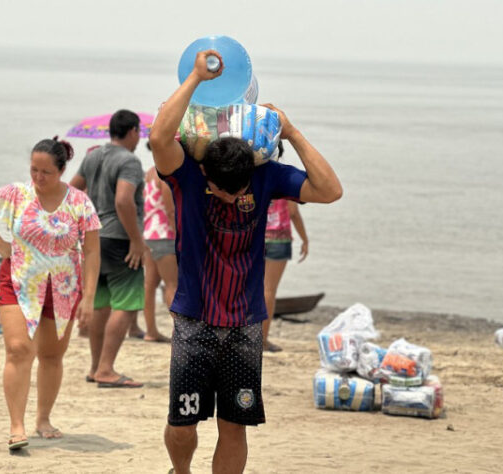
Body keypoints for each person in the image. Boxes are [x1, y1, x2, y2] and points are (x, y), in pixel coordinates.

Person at [149, 50, 342, 474]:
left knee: (235, 425)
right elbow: (160, 138)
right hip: (194, 319)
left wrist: (292, 132)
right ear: (206, 175)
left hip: (245, 324)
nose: (231, 198)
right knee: (182, 421)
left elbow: (330, 190)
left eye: (238, 192)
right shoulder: (188, 174)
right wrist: (196, 78)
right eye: (223, 191)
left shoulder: (265, 175)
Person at [0, 137, 101, 451]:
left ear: (62, 170)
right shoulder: (16, 193)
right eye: (34, 170)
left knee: (52, 356)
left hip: (64, 286)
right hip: (18, 281)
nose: (38, 177)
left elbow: (92, 252)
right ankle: (17, 426)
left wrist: (90, 297)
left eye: (46, 172)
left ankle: (43, 418)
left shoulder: (80, 202)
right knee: (18, 350)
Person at [70, 109, 146, 388]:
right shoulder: (129, 161)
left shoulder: (93, 156)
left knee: (101, 304)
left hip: (94, 238)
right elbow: (124, 201)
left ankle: (95, 367)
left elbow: (72, 190)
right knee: (126, 304)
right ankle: (106, 369)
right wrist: (136, 240)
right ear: (133, 131)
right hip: (119, 238)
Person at [263, 195, 308, 352]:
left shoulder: (255, 179)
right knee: (269, 290)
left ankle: (246, 334)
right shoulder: (285, 181)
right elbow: (293, 212)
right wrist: (305, 239)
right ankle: (262, 339)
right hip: (279, 239)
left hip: (254, 237)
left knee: (250, 289)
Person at [142, 155, 177, 343]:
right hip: (165, 234)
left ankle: (151, 331)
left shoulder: (149, 173)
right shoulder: (165, 175)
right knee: (172, 285)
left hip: (149, 233)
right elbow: (170, 210)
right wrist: (179, 235)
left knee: (150, 285)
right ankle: (182, 332)